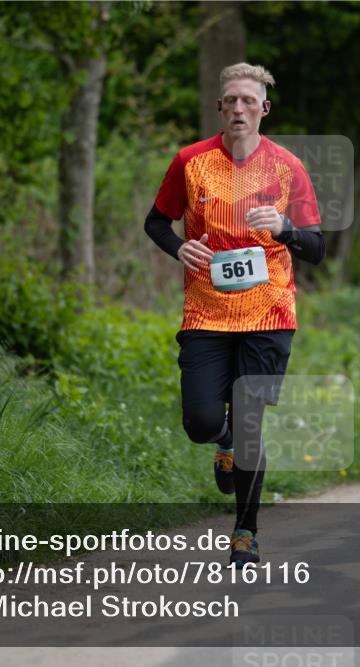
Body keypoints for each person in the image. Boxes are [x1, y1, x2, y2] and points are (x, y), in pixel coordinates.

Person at [144, 63, 324, 566]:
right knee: (202, 421)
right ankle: (218, 439)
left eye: (249, 100)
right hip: (205, 312)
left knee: (249, 424)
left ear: (264, 108)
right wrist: (179, 249)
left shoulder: (288, 168)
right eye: (231, 100)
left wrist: (286, 229)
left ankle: (245, 531)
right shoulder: (191, 162)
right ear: (220, 108)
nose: (239, 108)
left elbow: (317, 248)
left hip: (269, 315)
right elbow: (155, 221)